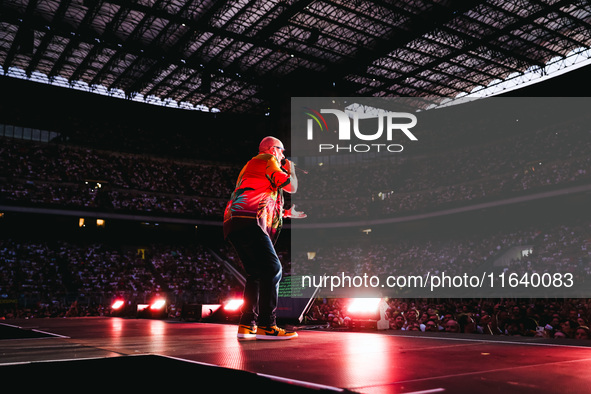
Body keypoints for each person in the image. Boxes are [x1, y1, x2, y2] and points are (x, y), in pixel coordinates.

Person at [223, 136, 306, 340]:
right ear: (272, 149)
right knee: (272, 268)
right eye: (282, 150)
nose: (284, 155)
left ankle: (247, 324)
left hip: (235, 222)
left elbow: (261, 196)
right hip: (249, 220)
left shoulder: (252, 165)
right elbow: (291, 186)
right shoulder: (267, 160)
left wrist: (286, 213)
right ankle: (267, 326)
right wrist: (291, 169)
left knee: (255, 274)